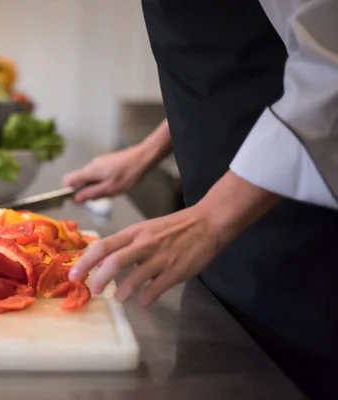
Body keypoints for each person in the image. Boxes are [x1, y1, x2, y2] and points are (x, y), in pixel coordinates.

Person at [64, 1, 338, 399]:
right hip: (229, 240)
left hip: (306, 241)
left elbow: (328, 71)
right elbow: (234, 70)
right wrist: (149, 150)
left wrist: (211, 217)